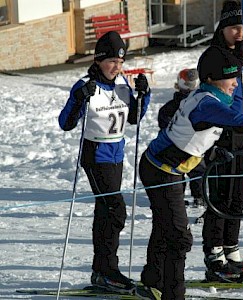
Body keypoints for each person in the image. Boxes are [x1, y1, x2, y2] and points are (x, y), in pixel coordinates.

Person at [135, 45, 243, 300]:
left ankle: (153, 281)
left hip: (162, 167)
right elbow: (242, 122)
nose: (236, 83)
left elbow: (189, 135)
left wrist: (211, 153)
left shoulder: (209, 99)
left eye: (237, 77)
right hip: (161, 171)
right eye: (230, 77)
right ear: (210, 79)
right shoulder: (208, 104)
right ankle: (172, 294)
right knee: (179, 237)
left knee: (165, 228)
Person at [58, 31, 151, 293]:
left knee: (106, 211)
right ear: (99, 60)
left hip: (116, 154)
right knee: (115, 210)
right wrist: (79, 99)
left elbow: (133, 117)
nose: (116, 67)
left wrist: (144, 96)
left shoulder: (121, 83)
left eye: (120, 62)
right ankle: (108, 269)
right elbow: (66, 123)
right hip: (96, 153)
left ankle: (102, 270)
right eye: (111, 61)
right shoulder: (85, 85)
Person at [201, 0, 243, 283]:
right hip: (220, 130)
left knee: (239, 193)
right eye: (232, 28)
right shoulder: (213, 55)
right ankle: (214, 253)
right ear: (222, 28)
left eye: (242, 27)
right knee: (221, 194)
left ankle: (232, 250)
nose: (239, 33)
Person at [157, 68, 205, 207]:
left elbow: (164, 127)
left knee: (179, 172)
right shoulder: (199, 104)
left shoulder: (169, 108)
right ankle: (198, 196)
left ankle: (182, 196)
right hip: (191, 146)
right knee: (196, 171)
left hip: (178, 147)